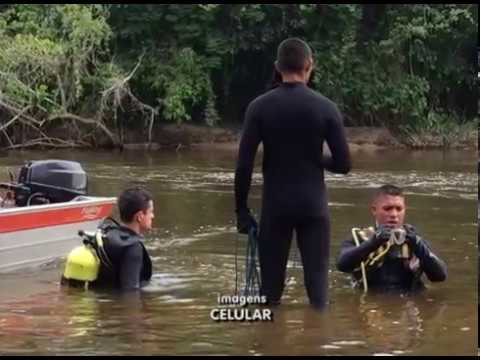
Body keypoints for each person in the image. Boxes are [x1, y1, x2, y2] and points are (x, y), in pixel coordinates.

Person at [234, 37, 351, 309]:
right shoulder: (326, 108)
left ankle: (268, 343)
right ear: (309, 65)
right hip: (314, 207)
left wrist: (241, 210)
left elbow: (244, 166)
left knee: (270, 293)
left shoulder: (259, 107)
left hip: (276, 207)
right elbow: (344, 164)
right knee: (318, 291)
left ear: (277, 67)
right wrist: (316, 157)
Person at [336, 184, 447, 292]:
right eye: (387, 209)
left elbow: (439, 276)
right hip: (372, 302)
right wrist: (373, 243)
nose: (394, 214)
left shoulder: (415, 240)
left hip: (408, 302)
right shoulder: (359, 237)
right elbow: (342, 265)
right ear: (374, 210)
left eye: (399, 209)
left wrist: (417, 245)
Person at [62, 187, 154, 291]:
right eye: (151, 212)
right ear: (140, 216)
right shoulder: (132, 247)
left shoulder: (105, 234)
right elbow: (130, 292)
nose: (153, 216)